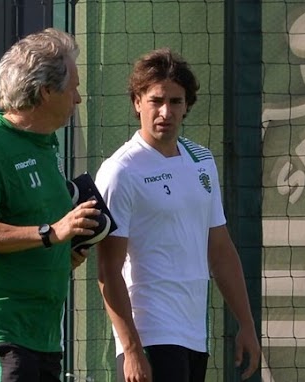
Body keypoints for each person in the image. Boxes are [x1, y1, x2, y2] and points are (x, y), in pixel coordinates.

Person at [95, 48, 261, 382]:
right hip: (150, 337)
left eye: (176, 101)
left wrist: (246, 324)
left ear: (187, 106)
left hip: (195, 337)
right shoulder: (120, 171)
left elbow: (220, 249)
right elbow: (108, 271)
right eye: (156, 100)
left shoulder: (202, 160)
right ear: (137, 102)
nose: (165, 111)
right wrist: (131, 351)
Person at [0, 28, 100, 381]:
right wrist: (54, 232)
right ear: (46, 91)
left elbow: (31, 234)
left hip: (44, 333)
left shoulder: (46, 147)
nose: (78, 99)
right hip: (2, 331)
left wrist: (66, 256)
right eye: (73, 87)